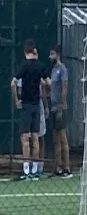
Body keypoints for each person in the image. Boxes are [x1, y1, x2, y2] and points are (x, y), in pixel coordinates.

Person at [11, 39, 47, 180]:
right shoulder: (40, 66)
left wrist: (16, 100)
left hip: (26, 104)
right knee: (35, 137)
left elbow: (13, 83)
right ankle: (35, 170)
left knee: (25, 137)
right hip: (36, 104)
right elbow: (46, 82)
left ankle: (26, 171)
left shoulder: (23, 66)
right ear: (34, 51)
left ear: (25, 51)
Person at [46, 45, 70, 177]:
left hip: (60, 108)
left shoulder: (62, 69)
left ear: (58, 55)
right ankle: (58, 167)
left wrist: (61, 106)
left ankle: (67, 167)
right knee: (56, 139)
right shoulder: (53, 70)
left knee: (62, 137)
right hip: (53, 107)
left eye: (53, 54)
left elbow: (64, 89)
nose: (51, 57)